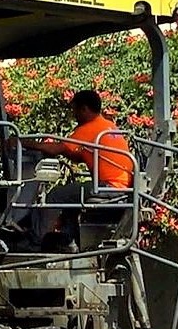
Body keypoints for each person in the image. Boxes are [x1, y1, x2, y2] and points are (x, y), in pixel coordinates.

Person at [9, 90, 137, 249]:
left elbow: (56, 148)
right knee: (70, 200)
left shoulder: (89, 128)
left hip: (108, 188)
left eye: (75, 110)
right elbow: (77, 154)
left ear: (84, 109)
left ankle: (34, 240)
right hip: (122, 188)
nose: (73, 115)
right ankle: (69, 241)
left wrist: (22, 142)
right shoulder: (108, 126)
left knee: (56, 195)